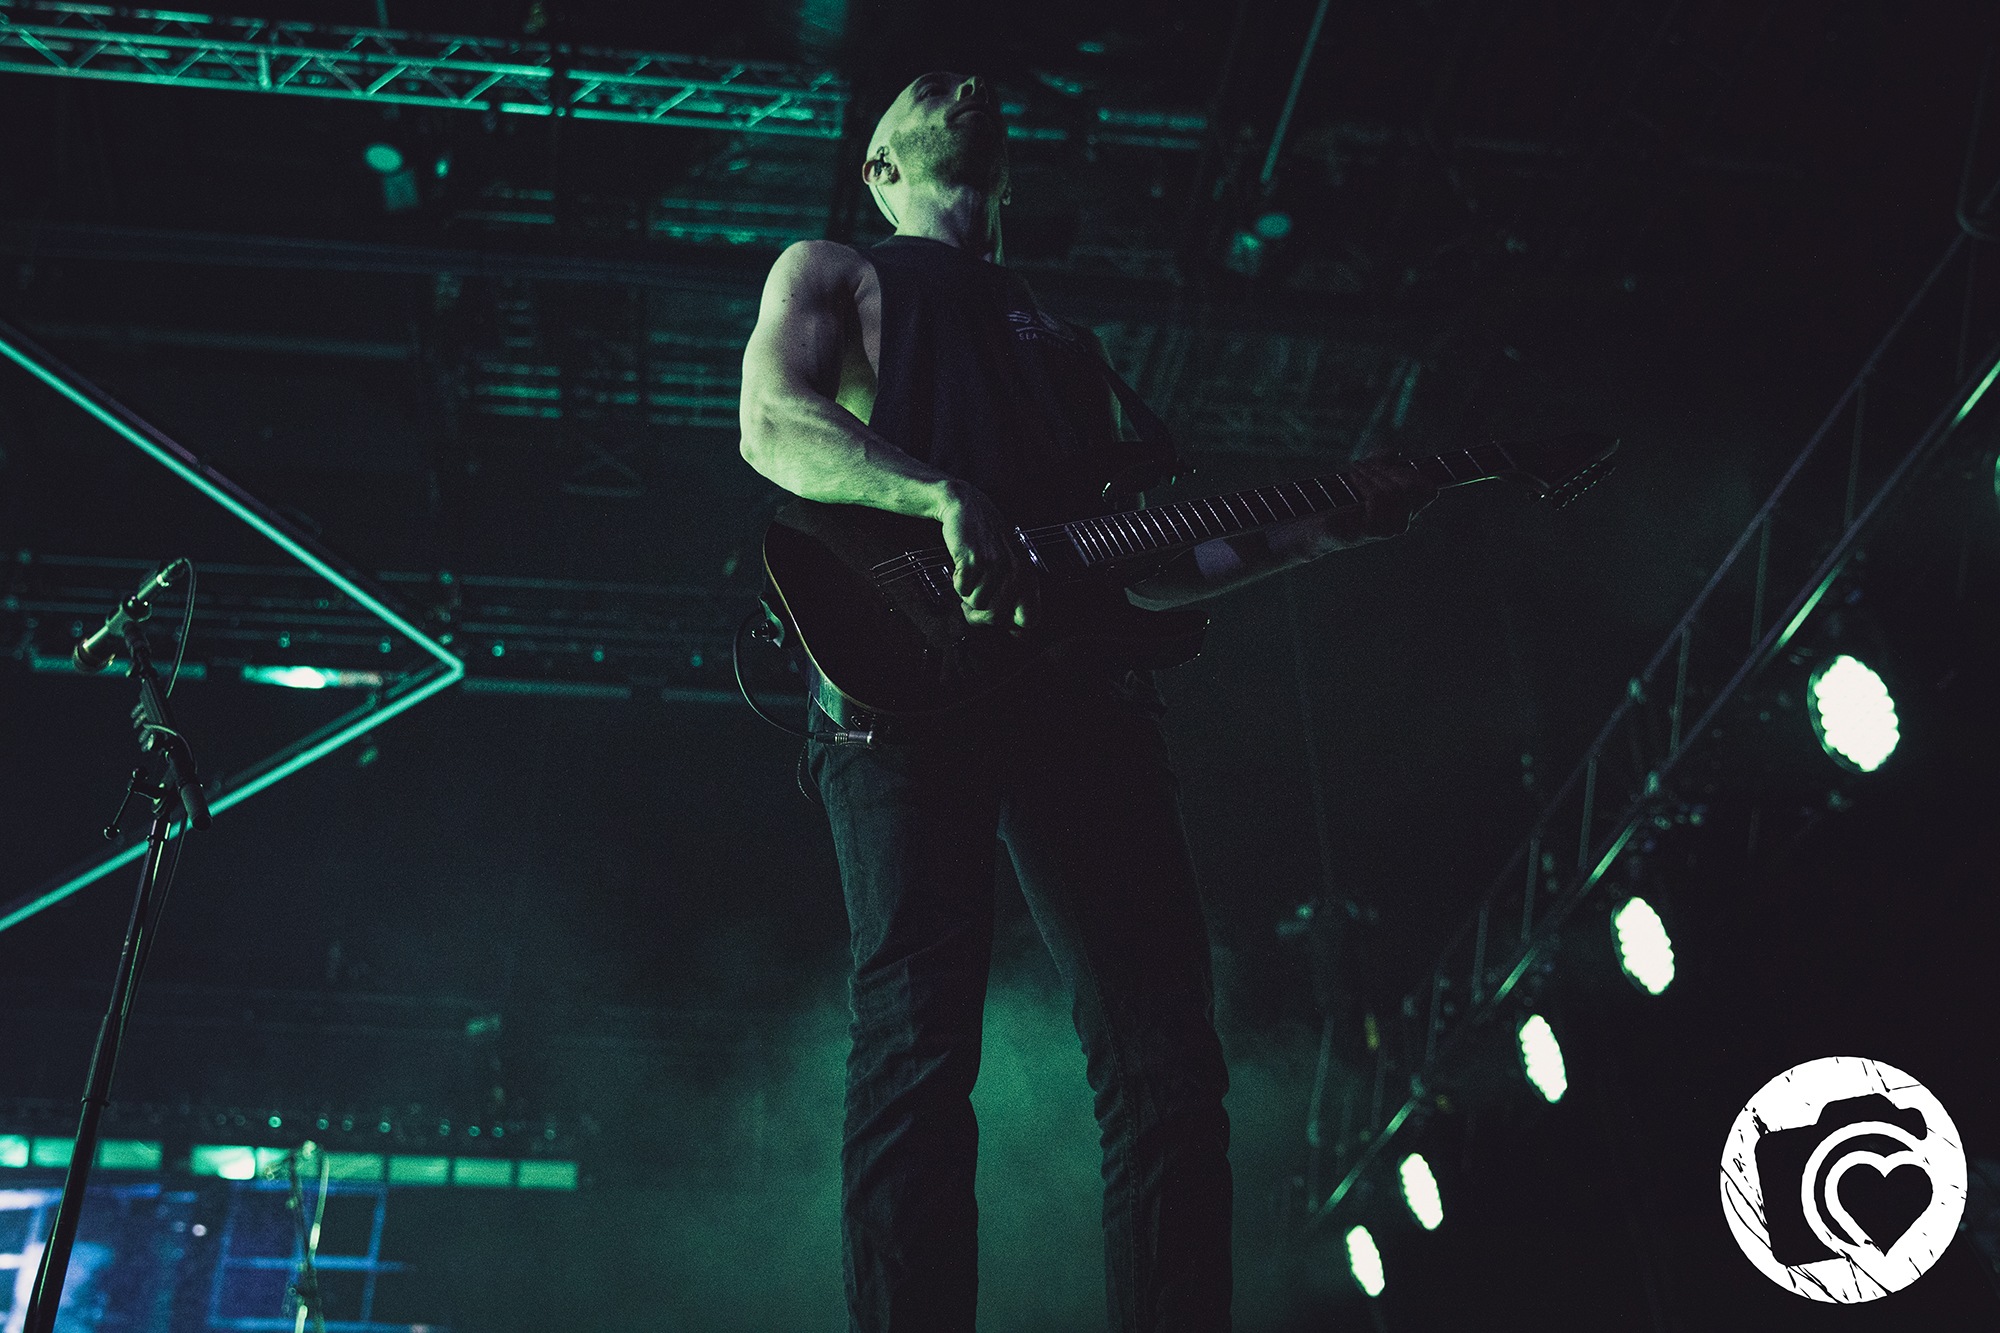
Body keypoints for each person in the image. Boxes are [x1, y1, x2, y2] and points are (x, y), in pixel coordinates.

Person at [737, 71, 1435, 1333]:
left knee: (1166, 1060)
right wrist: (940, 496)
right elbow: (773, 425)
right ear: (879, 170)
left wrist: (1323, 532)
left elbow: (1146, 567)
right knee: (915, 1038)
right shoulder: (834, 270)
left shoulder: (1068, 351)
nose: (961, 81)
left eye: (968, 82)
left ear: (1009, 175)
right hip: (903, 692)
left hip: (1079, 697)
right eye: (922, 88)